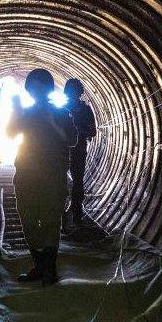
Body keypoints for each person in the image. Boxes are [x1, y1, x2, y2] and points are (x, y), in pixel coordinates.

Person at [7, 69, 77, 285]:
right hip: (27, 173)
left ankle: (50, 269)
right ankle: (39, 266)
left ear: (47, 88)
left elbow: (72, 140)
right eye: (33, 87)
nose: (36, 91)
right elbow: (10, 133)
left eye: (39, 86)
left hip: (53, 174)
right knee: (28, 220)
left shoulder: (61, 113)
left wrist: (53, 123)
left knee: (50, 221)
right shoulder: (25, 112)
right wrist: (16, 111)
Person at [63, 78, 97, 227]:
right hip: (67, 151)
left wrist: (77, 131)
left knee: (75, 182)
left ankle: (74, 215)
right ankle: (72, 216)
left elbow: (92, 131)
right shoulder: (63, 109)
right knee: (74, 182)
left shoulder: (80, 110)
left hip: (72, 150)